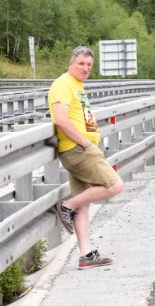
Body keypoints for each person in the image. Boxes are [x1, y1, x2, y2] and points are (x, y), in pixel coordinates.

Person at [49, 46, 124, 269]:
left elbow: (83, 116)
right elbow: (61, 120)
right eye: (81, 64)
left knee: (84, 203)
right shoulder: (63, 84)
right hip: (78, 149)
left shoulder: (77, 86)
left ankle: (86, 255)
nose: (86, 68)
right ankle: (65, 206)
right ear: (71, 63)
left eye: (89, 65)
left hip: (82, 147)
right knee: (115, 186)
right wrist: (84, 143)